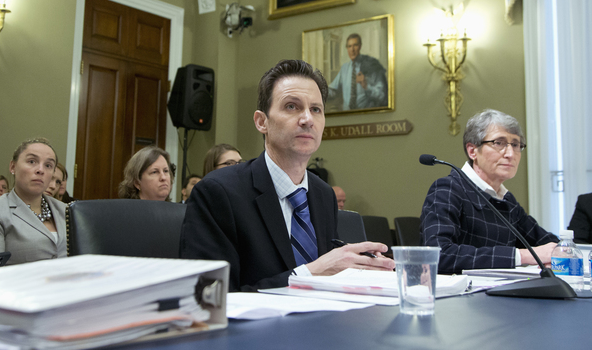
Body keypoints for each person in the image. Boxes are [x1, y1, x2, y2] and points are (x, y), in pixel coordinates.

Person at [181, 59, 394, 292]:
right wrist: (309, 274)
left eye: (316, 109)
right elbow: (210, 297)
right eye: (292, 106)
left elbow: (327, 277)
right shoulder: (217, 192)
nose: (307, 119)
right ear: (262, 122)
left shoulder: (323, 194)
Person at [421, 109, 558, 274]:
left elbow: (546, 243)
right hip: (460, 296)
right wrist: (523, 256)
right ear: (473, 151)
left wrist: (555, 256)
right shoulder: (447, 189)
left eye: (515, 144)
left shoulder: (506, 200)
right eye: (499, 143)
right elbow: (438, 255)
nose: (510, 154)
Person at [0, 137, 67, 265]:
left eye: (48, 165)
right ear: (13, 167)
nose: (40, 170)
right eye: (32, 161)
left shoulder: (67, 210)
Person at [328, 34, 388, 110]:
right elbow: (333, 90)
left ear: (360, 46)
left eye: (355, 45)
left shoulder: (372, 66)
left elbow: (382, 95)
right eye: (349, 46)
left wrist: (366, 86)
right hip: (347, 117)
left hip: (365, 115)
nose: (352, 50)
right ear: (347, 48)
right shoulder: (344, 68)